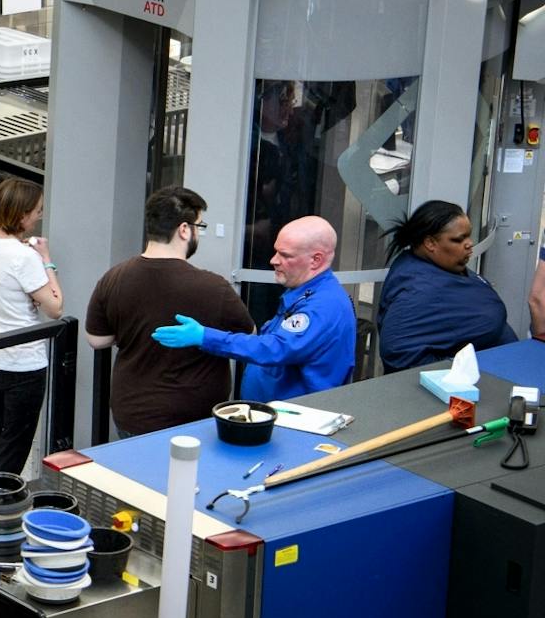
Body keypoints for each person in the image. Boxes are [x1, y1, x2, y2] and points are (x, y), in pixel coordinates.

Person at [84, 186, 255, 436]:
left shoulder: (114, 278)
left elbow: (97, 340)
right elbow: (249, 337)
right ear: (184, 230)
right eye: (199, 226)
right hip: (193, 422)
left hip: (133, 415)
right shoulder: (214, 287)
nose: (198, 234)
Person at [154, 215, 357, 401]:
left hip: (297, 420)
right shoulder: (305, 293)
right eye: (276, 251)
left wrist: (205, 336)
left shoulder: (323, 306)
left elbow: (274, 349)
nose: (274, 260)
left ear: (316, 260)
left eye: (285, 255)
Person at [0, 178, 60, 483]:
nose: (39, 217)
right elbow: (55, 307)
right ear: (21, 216)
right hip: (22, 365)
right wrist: (47, 261)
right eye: (37, 211)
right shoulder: (25, 257)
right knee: (14, 443)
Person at [376, 202, 517, 372]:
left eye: (468, 236)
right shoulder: (416, 292)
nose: (469, 244)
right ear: (430, 243)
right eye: (458, 239)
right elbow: (398, 352)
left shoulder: (442, 266)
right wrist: (456, 372)